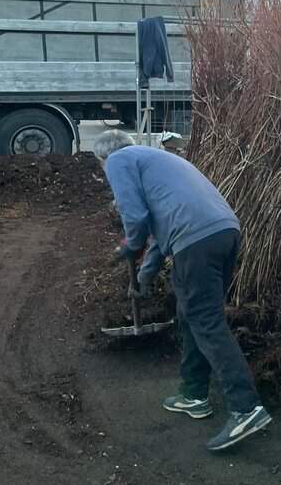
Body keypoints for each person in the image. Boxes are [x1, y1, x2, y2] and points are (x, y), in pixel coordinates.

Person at [92, 130, 271, 452]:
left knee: (206, 321)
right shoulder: (156, 162)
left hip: (195, 239)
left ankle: (246, 409)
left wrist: (130, 246)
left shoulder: (118, 160)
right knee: (190, 315)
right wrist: (144, 277)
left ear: (102, 159)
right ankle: (194, 394)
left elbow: (135, 216)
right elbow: (161, 235)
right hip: (222, 232)